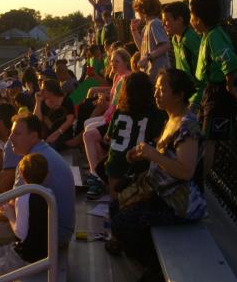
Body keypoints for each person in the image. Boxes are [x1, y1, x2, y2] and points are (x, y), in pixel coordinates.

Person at [110, 69, 206, 279]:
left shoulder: (187, 127)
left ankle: (155, 268)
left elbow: (185, 171)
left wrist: (152, 154)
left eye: (162, 90)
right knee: (114, 206)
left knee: (120, 223)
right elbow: (165, 151)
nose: (156, 94)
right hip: (158, 190)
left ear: (179, 95)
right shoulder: (171, 118)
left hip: (175, 202)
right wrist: (142, 152)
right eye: (156, 89)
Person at [0, 115, 75, 276]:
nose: (11, 137)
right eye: (12, 133)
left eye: (17, 133)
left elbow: (12, 204)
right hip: (59, 227)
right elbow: (13, 200)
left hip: (53, 233)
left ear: (34, 136)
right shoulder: (43, 153)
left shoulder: (31, 163)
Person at [189, 0, 237, 176]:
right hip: (208, 92)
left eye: (192, 17)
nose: (191, 21)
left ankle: (202, 179)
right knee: (203, 137)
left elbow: (229, 61)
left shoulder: (214, 37)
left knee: (210, 140)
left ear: (200, 19)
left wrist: (229, 85)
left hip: (218, 95)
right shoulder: (207, 36)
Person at [0, 153, 50, 281]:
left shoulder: (24, 196)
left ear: (21, 175)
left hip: (30, 256)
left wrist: (10, 214)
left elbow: (21, 233)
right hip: (43, 250)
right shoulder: (48, 194)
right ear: (47, 174)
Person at [104, 72, 164, 200]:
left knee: (115, 203)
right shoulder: (155, 112)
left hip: (116, 164)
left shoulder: (119, 111)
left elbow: (108, 138)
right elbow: (158, 142)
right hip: (140, 166)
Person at [83, 48, 132, 199]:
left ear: (125, 62)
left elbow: (121, 105)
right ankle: (99, 170)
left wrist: (106, 102)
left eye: (116, 61)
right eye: (112, 61)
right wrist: (104, 98)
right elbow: (114, 99)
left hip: (115, 120)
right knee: (88, 124)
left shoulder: (126, 79)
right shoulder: (119, 76)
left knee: (88, 133)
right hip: (110, 116)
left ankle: (96, 175)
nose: (113, 64)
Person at [161, 1, 204, 112]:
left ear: (179, 20)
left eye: (167, 20)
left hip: (197, 96)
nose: (164, 24)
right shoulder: (175, 39)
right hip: (185, 95)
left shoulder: (190, 39)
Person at [131, 0, 171, 82]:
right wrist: (134, 31)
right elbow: (142, 48)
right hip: (150, 74)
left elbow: (166, 45)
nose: (137, 13)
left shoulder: (155, 23)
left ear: (143, 9)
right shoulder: (147, 26)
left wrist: (148, 57)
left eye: (138, 10)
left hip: (157, 74)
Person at [34, 79, 76, 151]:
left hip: (63, 133)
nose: (41, 92)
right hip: (47, 135)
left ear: (51, 92)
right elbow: (36, 120)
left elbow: (70, 121)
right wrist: (38, 102)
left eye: (43, 90)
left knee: (50, 146)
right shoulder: (43, 103)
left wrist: (56, 134)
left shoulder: (66, 101)